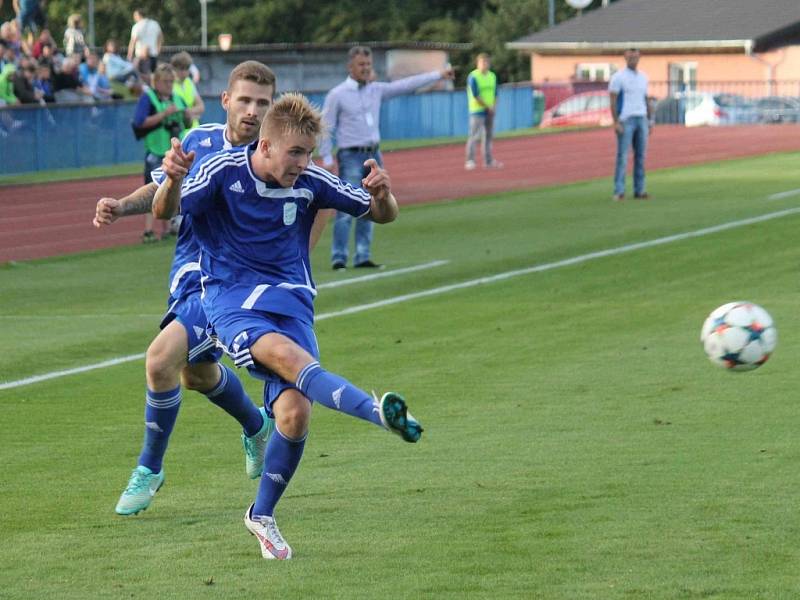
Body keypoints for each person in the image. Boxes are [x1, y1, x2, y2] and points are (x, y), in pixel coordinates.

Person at [154, 92, 423, 560]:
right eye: (296, 152)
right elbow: (164, 210)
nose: (304, 162)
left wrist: (383, 194)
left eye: (309, 152)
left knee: (296, 415)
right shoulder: (222, 173)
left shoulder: (312, 180)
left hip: (293, 303)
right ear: (265, 146)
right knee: (292, 360)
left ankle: (261, 516)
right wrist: (173, 179)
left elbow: (382, 214)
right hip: (232, 301)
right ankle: (377, 412)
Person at [92, 61, 279, 516]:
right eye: (246, 100)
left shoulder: (274, 159)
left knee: (160, 361)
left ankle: (149, 468)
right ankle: (256, 425)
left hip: (229, 286)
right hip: (186, 276)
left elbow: (313, 206)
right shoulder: (199, 141)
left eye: (263, 103)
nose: (253, 111)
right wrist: (120, 205)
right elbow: (160, 196)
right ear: (226, 101)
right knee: (195, 375)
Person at [320, 45, 453, 271]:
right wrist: (326, 157)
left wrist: (438, 75)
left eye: (369, 65)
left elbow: (405, 85)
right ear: (350, 67)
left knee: (373, 204)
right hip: (351, 155)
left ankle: (362, 255)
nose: (366, 69)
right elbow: (325, 126)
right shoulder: (338, 94)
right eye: (361, 65)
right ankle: (339, 257)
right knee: (344, 207)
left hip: (374, 154)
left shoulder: (376, 90)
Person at [131, 62, 191, 241]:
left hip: (174, 153)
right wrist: (164, 114)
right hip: (155, 150)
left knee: (173, 189)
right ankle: (149, 231)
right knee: (152, 187)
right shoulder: (148, 98)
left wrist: (187, 116)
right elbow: (139, 122)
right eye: (165, 81)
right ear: (156, 82)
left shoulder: (177, 98)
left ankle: (169, 228)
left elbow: (186, 122)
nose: (169, 85)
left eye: (171, 81)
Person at [609, 48, 653, 201]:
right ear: (625, 58)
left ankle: (639, 190)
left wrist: (650, 119)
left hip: (641, 118)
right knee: (623, 156)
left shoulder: (643, 77)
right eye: (630, 56)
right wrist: (615, 121)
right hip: (626, 119)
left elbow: (646, 99)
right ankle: (619, 190)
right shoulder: (618, 77)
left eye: (636, 56)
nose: (633, 59)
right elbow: (613, 100)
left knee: (641, 156)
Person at [465, 52, 502, 170]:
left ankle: (488, 161)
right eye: (482, 62)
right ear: (477, 64)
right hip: (477, 110)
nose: (484, 64)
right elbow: (476, 95)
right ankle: (470, 160)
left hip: (490, 110)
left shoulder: (492, 76)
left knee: (488, 136)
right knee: (474, 135)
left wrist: (494, 107)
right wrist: (487, 106)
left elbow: (496, 93)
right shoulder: (473, 76)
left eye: (486, 62)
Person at [170, 51, 204, 128]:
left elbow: (201, 106)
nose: (185, 72)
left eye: (187, 69)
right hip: (177, 132)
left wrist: (189, 112)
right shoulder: (169, 84)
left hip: (193, 131)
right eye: (181, 69)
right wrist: (191, 114)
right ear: (174, 69)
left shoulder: (189, 83)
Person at [127, 8, 162, 81]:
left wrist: (129, 55)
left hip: (141, 57)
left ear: (138, 15)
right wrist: (158, 50)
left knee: (141, 78)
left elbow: (133, 41)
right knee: (154, 77)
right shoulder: (154, 24)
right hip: (153, 54)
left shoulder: (137, 26)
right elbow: (160, 37)